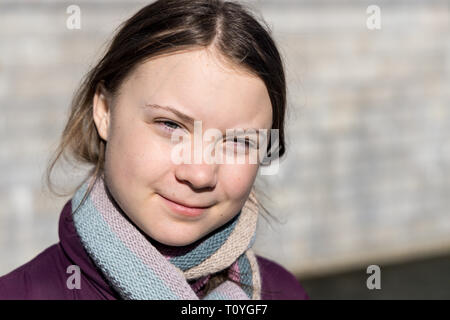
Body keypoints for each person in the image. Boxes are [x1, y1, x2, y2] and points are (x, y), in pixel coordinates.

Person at [0, 0, 309, 300]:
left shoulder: (286, 292)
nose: (200, 174)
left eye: (239, 142)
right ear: (105, 111)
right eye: (171, 125)